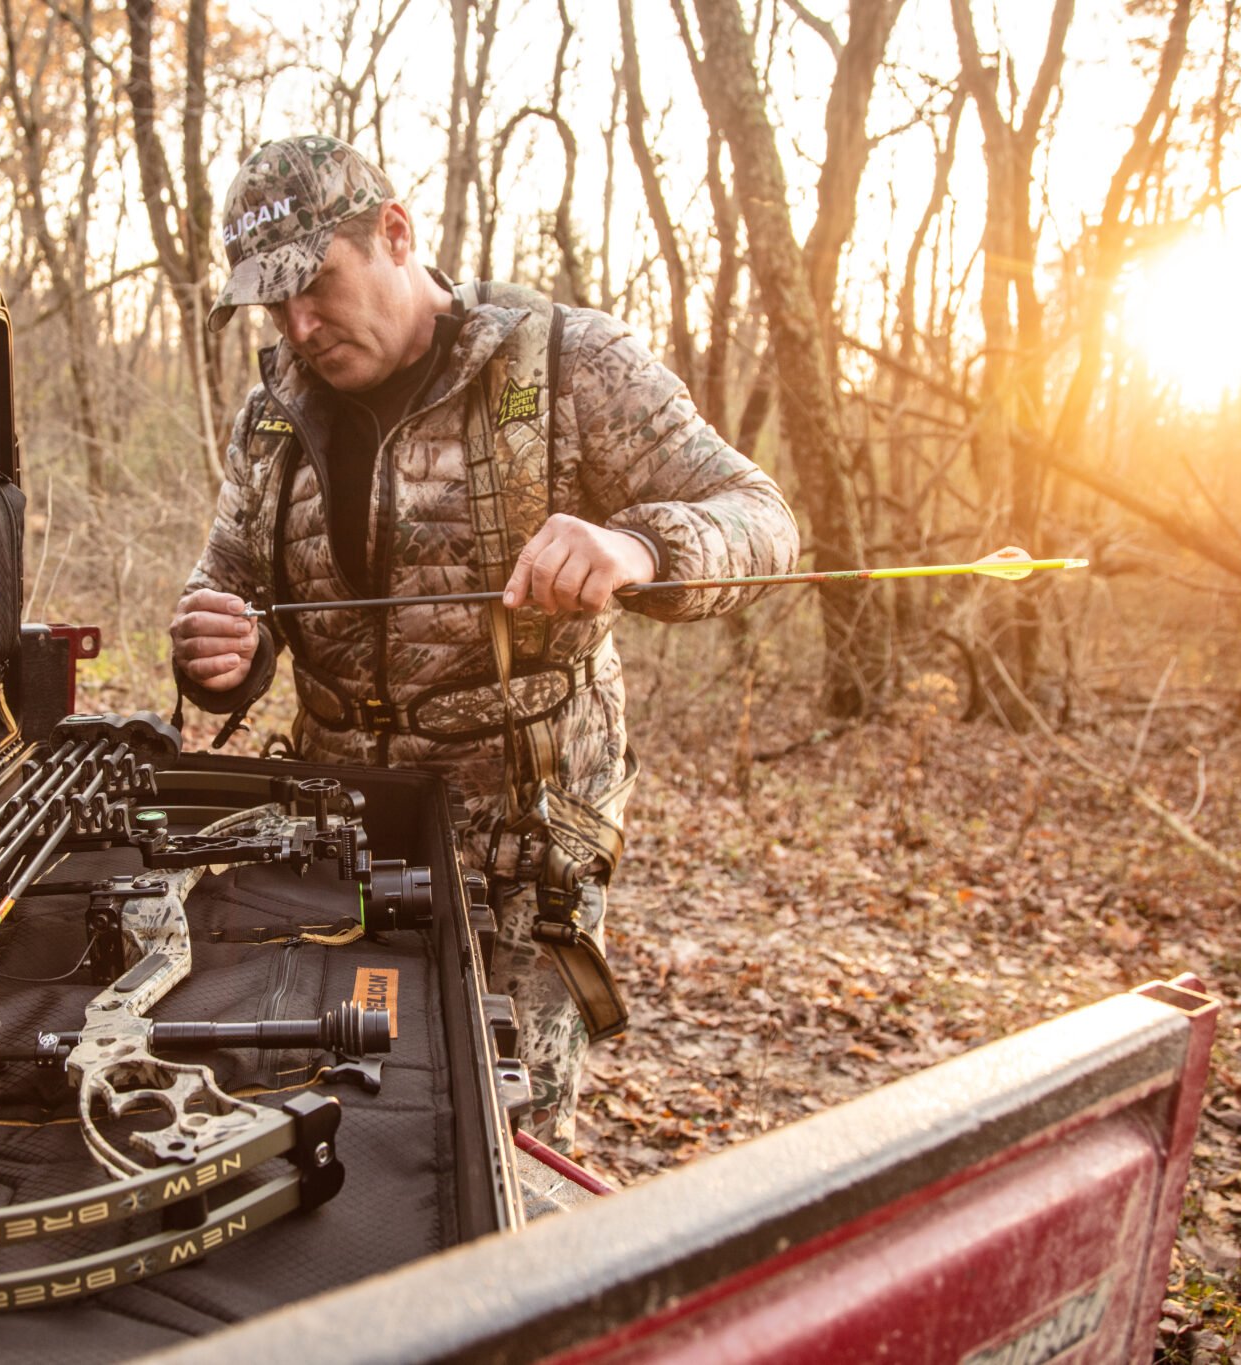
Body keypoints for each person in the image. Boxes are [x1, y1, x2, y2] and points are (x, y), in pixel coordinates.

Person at [168, 133, 798, 1149]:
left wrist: (636, 547)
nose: (298, 326)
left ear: (396, 233)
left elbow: (760, 519)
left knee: (503, 1147)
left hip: (518, 856)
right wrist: (217, 653)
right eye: (272, 304)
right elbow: (229, 588)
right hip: (336, 839)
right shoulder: (269, 416)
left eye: (316, 285)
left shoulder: (565, 364)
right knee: (343, 1124)